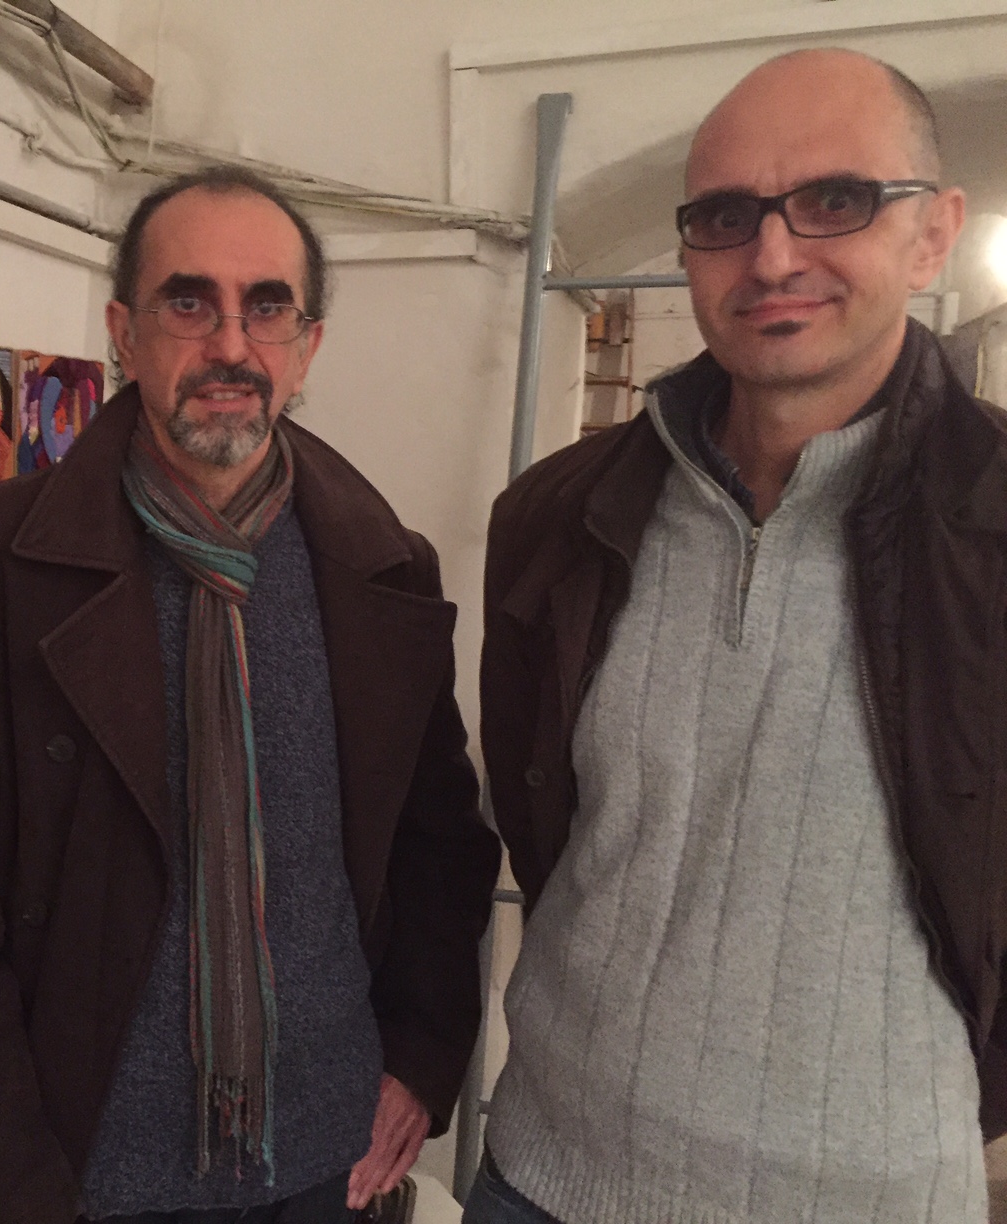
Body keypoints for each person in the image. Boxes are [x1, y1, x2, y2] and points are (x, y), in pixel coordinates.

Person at [0, 165, 500, 1224]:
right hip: (80, 1176)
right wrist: (2, 1189)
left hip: (325, 1162)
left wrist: (423, 1059)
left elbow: (439, 848)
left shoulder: (385, 566)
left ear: (308, 345)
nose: (231, 346)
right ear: (125, 331)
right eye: (190, 303)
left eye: (268, 308)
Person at [474, 48, 1000, 1223]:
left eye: (836, 200)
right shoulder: (558, 517)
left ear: (933, 234)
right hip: (542, 1174)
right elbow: (543, 820)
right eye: (725, 216)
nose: (771, 257)